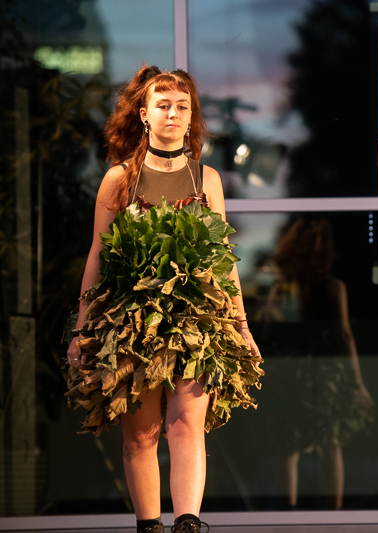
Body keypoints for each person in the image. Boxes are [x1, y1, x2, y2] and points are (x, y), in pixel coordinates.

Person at [66, 66, 260, 533]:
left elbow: (223, 258)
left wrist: (241, 325)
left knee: (187, 424)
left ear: (191, 116)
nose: (173, 113)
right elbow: (98, 255)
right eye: (163, 105)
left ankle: (188, 525)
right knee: (142, 434)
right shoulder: (119, 178)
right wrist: (83, 326)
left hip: (196, 319)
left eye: (182, 106)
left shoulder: (206, 179)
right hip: (132, 319)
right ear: (144, 114)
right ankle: (149, 526)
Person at [259, 218, 373, 510]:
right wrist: (357, 381)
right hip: (324, 374)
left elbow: (269, 331)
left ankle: (288, 513)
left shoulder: (284, 288)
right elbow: (344, 335)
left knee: (289, 447)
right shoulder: (332, 287)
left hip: (292, 372)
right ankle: (333, 513)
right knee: (330, 446)